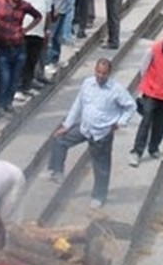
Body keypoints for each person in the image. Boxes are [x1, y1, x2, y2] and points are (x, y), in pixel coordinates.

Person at [48, 58, 135, 208]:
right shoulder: (88, 83)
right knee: (59, 139)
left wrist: (120, 122)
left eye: (104, 73)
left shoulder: (116, 89)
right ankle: (57, 171)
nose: (100, 76)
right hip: (85, 127)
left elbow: (130, 106)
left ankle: (99, 196)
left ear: (109, 73)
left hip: (102, 132)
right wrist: (67, 125)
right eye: (98, 72)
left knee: (101, 166)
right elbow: (78, 104)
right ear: (95, 71)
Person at [129, 26, 163, 166]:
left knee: (161, 123)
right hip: (151, 92)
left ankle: (153, 148)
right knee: (146, 122)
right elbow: (143, 67)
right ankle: (136, 152)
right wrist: (147, 83)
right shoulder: (153, 49)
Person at [0, 0, 42, 115]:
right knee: (4, 77)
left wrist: (25, 30)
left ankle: (8, 103)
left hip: (19, 46)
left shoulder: (24, 5)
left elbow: (38, 16)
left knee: (14, 78)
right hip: (2, 46)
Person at [16, 0, 52, 100]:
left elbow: (48, 13)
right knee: (22, 61)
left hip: (39, 32)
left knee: (32, 61)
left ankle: (27, 86)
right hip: (25, 32)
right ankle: (18, 88)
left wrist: (47, 30)